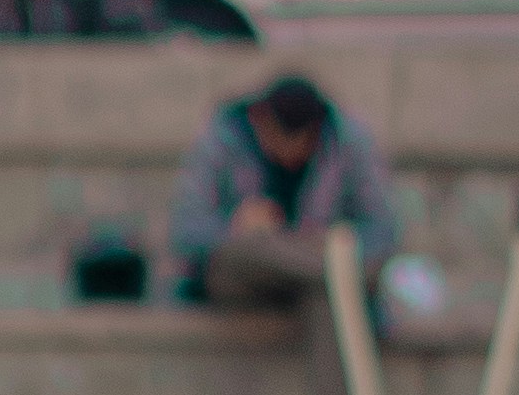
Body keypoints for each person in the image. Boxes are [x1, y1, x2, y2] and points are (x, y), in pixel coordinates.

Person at [166, 71, 403, 314]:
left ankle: (324, 268)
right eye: (281, 139)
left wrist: (332, 240)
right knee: (260, 250)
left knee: (326, 295)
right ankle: (326, 268)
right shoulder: (222, 137)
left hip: (312, 282)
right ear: (261, 119)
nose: (291, 152)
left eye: (303, 142)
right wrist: (235, 227)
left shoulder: (348, 139)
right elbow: (185, 231)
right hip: (244, 274)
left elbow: (383, 229)